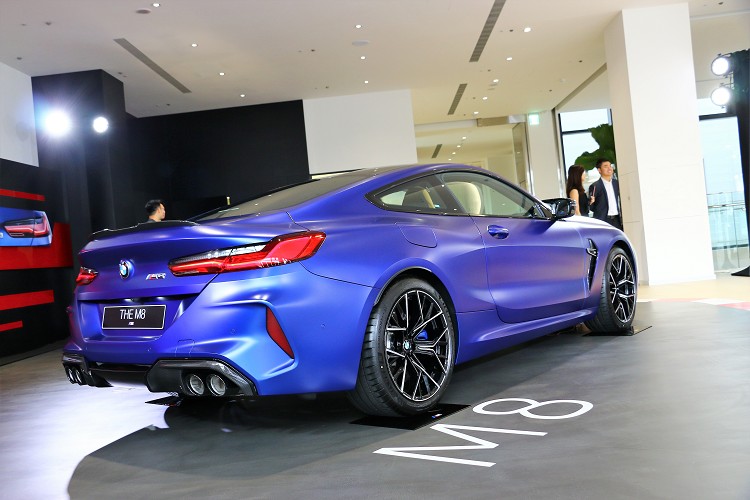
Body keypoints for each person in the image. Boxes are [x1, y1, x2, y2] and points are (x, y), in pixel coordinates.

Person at [588, 158, 622, 229]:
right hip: (603, 220)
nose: (609, 168)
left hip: (617, 220)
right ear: (599, 170)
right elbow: (591, 206)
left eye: (610, 166)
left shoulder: (617, 183)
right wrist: (591, 202)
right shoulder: (595, 186)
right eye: (606, 166)